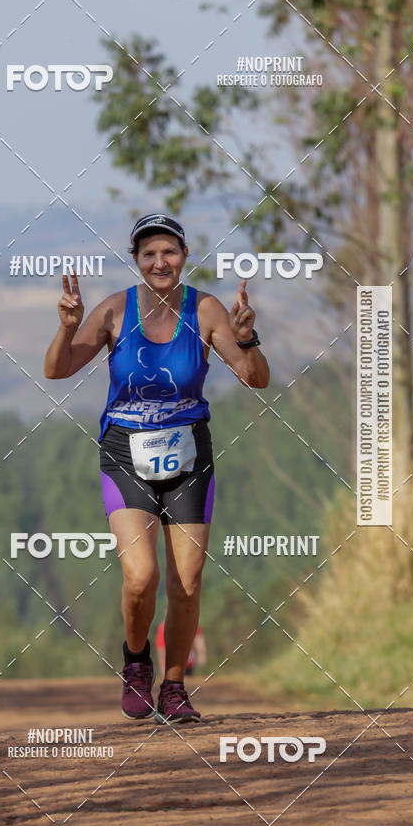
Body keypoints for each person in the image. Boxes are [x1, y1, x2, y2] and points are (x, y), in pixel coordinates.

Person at [44, 213, 269, 723]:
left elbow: (257, 379)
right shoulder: (114, 310)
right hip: (125, 453)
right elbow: (56, 369)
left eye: (169, 251)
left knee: (186, 582)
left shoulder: (207, 310)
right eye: (149, 253)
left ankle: (174, 687)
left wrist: (247, 338)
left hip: (190, 455)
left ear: (184, 256)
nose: (160, 261)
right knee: (141, 576)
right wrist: (67, 326)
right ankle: (136, 662)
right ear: (137, 261)